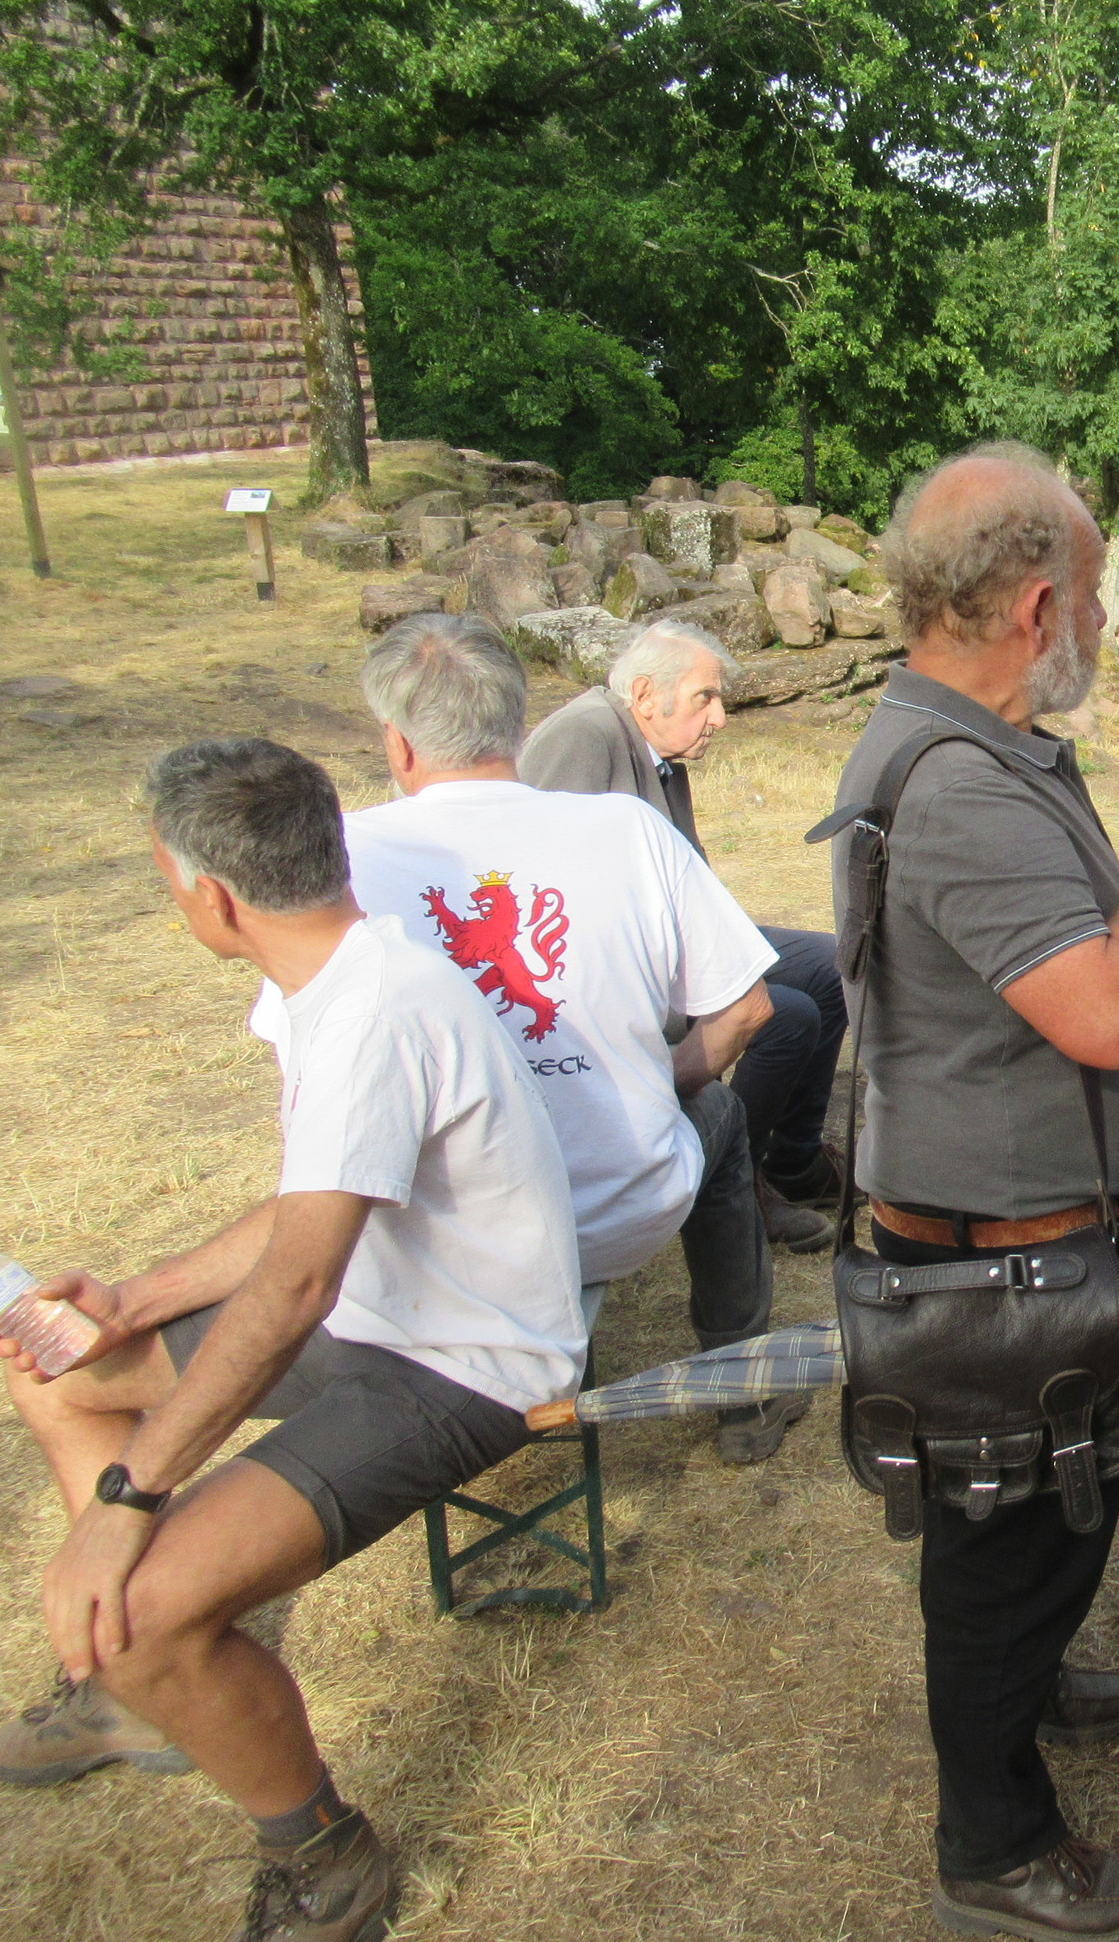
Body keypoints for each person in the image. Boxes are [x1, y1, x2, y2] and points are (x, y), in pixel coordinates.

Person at [0, 737, 583, 1942]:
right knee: (61, 1374)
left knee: (145, 1608)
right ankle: (136, 1695)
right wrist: (133, 1303)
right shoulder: (338, 976)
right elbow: (309, 1207)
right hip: (379, 1316)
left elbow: (298, 1282)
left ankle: (322, 1854)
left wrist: (129, 1500)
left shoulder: (371, 1013)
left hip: (467, 1364)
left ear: (208, 893)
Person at [830, 443, 1119, 1939]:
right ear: (1037, 605)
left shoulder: (953, 744)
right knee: (1008, 1550)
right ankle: (996, 1846)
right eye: (1098, 592)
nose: (1104, 620)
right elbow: (1107, 1018)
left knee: (1042, 1509)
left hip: (1014, 1237)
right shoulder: (962, 792)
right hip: (998, 1260)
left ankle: (1031, 1677)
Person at [326, 612, 802, 1463]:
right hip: (615, 1206)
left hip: (439, 1234)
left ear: (397, 743)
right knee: (721, 1121)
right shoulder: (627, 829)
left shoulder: (342, 856)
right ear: (518, 725)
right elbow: (748, 1012)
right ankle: (745, 1392)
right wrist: (660, 1080)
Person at [522, 618, 848, 1251]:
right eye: (706, 697)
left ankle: (794, 1161)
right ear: (647, 695)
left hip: (675, 940)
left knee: (830, 965)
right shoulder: (582, 737)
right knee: (788, 1015)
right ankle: (732, 1175)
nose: (719, 717)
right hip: (620, 965)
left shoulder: (658, 751)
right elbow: (545, 896)